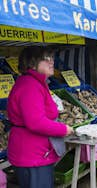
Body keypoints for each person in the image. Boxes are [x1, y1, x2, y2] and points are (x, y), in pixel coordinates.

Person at [7, 46, 74, 188]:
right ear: (32, 63)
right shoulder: (30, 86)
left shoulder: (37, 83)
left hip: (38, 154)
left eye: (52, 58)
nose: (52, 62)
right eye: (46, 59)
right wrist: (63, 129)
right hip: (31, 155)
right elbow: (36, 122)